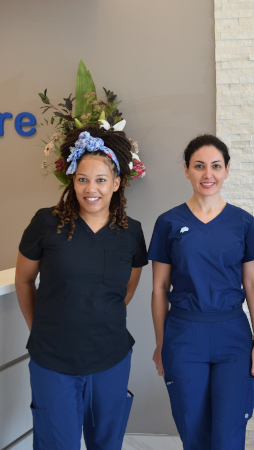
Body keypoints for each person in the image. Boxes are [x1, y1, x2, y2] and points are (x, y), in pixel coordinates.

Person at [15, 126, 148, 450]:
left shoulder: (131, 233)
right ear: (72, 180)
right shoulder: (46, 223)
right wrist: (41, 327)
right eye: (83, 179)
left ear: (116, 183)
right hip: (53, 362)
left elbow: (126, 290)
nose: (92, 189)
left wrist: (97, 316)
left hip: (111, 359)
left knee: (106, 444)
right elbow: (23, 280)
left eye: (101, 180)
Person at [148, 134, 254, 450]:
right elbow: (159, 288)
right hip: (184, 335)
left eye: (216, 166)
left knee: (229, 436)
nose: (208, 174)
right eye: (199, 166)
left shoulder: (242, 222)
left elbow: (253, 284)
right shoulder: (168, 223)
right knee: (194, 432)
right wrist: (161, 344)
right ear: (186, 170)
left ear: (227, 170)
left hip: (233, 336)